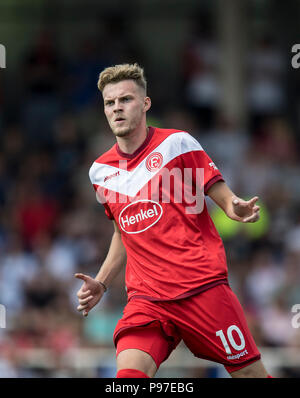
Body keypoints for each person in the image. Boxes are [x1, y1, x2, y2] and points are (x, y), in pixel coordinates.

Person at [75, 63, 272, 378]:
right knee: (127, 378)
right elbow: (123, 232)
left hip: (201, 288)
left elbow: (224, 198)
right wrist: (101, 282)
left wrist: (235, 209)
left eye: (125, 99)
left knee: (250, 375)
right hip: (147, 298)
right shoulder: (99, 171)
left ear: (145, 103)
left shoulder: (177, 144)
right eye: (109, 103)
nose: (116, 109)